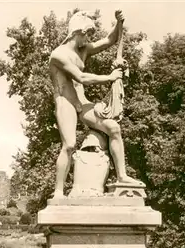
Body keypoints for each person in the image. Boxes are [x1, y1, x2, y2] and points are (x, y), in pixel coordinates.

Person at [49, 9, 144, 199]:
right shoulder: (58, 55)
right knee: (69, 145)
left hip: (81, 103)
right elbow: (81, 77)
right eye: (88, 34)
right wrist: (109, 77)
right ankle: (58, 191)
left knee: (113, 128)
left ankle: (122, 176)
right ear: (78, 31)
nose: (89, 39)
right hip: (65, 102)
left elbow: (110, 40)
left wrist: (118, 23)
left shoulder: (83, 50)